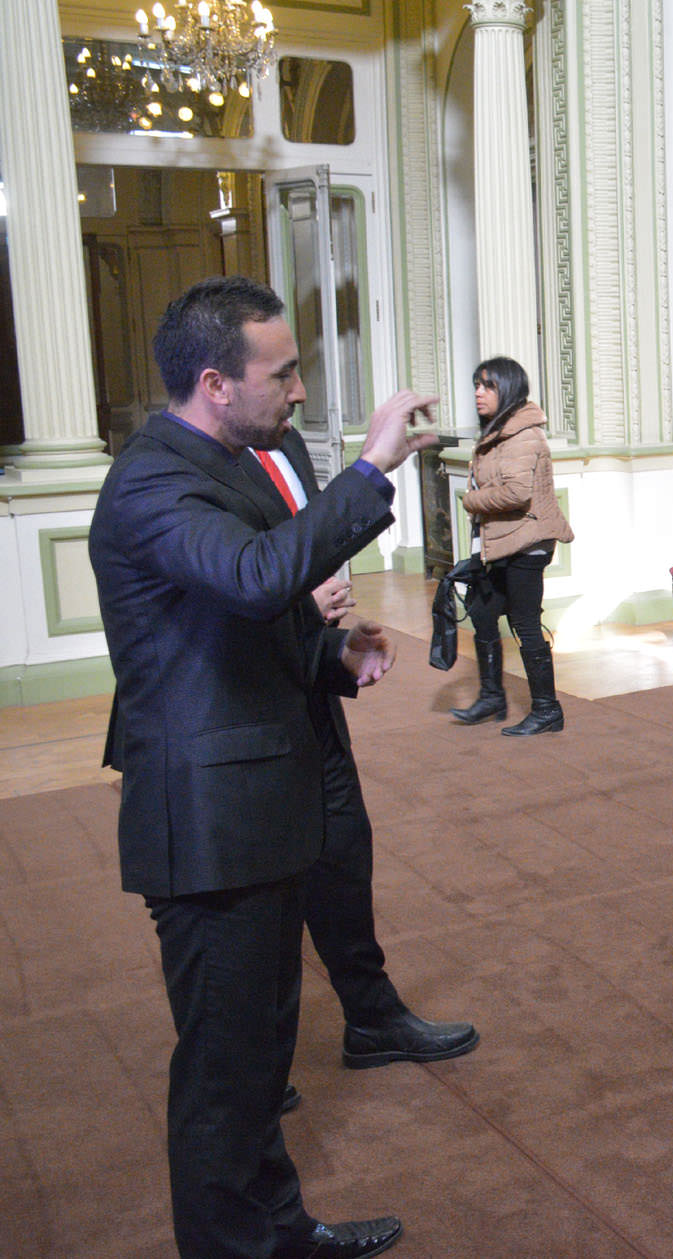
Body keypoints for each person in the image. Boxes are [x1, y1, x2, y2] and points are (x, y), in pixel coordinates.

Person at [89, 275, 435, 1259]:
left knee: (256, 1053)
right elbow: (252, 577)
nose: (296, 389)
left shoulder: (225, 461)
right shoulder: (154, 477)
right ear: (213, 381)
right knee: (225, 1072)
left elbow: (245, 621)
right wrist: (371, 465)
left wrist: (332, 653)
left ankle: (275, 1233)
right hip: (207, 820)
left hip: (252, 802)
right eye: (281, 373)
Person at [246, 430, 481, 1074]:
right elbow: (228, 591)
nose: (299, 390)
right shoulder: (186, 469)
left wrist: (327, 635)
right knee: (261, 903)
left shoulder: (287, 443)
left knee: (343, 848)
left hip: (309, 682)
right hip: (243, 713)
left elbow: (309, 543)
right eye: (282, 373)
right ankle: (254, 1075)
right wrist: (297, 607)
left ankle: (372, 1018)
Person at [451, 356, 575, 736]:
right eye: (476, 385)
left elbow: (518, 492)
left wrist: (471, 500)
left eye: (487, 386)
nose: (478, 393)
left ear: (508, 389)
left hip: (528, 542)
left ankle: (547, 709)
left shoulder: (523, 434)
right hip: (505, 542)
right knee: (483, 611)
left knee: (524, 622)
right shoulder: (497, 431)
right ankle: (492, 696)